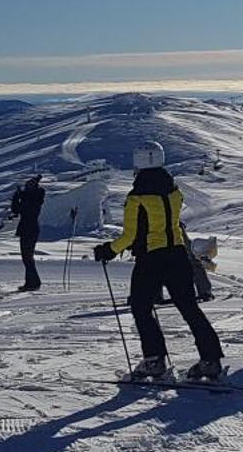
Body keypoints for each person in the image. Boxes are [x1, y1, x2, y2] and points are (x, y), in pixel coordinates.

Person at [93, 144, 224, 382]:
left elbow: (129, 236)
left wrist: (107, 251)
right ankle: (210, 360)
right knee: (189, 309)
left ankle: (154, 360)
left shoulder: (136, 197)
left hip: (151, 260)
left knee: (141, 309)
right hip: (177, 255)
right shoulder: (174, 191)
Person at [7, 174, 46, 291]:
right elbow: (16, 210)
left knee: (28, 257)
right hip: (26, 229)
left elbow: (27, 207)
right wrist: (17, 197)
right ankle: (32, 282)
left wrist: (21, 195)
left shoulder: (36, 197)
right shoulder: (30, 197)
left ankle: (33, 283)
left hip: (30, 229)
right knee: (27, 257)